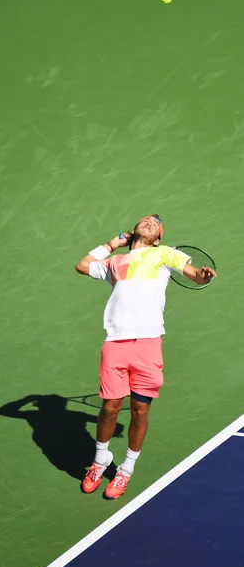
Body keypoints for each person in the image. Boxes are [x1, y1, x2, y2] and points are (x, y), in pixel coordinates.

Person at [75, 214, 216, 500]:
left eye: (156, 222)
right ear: (135, 229)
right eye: (146, 219)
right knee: (110, 408)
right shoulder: (115, 262)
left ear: (160, 237)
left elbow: (194, 275)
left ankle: (126, 469)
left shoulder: (164, 254)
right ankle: (100, 460)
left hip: (147, 345)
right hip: (115, 343)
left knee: (140, 410)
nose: (150, 220)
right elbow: (82, 265)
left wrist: (204, 276)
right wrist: (116, 242)